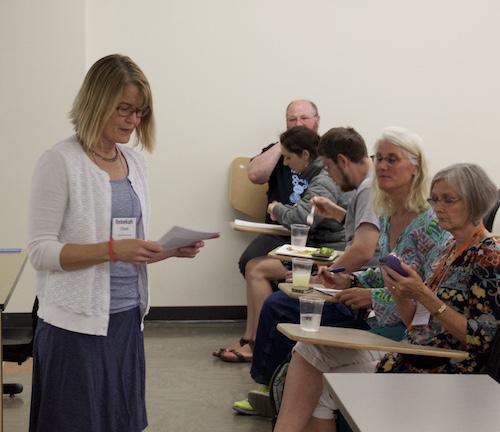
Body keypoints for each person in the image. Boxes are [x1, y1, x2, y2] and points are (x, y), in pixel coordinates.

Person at [27, 54, 205, 432]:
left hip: (126, 319)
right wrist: (110, 250)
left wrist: (169, 249)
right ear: (97, 102)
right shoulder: (59, 162)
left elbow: (129, 250)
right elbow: (41, 252)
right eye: (123, 109)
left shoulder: (135, 164)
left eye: (139, 112)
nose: (133, 120)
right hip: (74, 327)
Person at [274, 162, 500, 432]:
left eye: (449, 200)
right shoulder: (449, 248)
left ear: (475, 203)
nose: (438, 207)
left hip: (450, 365)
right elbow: (416, 325)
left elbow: (483, 338)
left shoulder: (490, 255)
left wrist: (423, 295)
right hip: (420, 350)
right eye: (435, 199)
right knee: (308, 352)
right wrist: (400, 290)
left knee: (325, 383)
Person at [233, 126, 381, 415]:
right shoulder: (366, 189)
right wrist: (335, 213)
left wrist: (326, 274)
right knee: (272, 285)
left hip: (361, 286)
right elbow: (364, 236)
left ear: (342, 161)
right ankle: (276, 385)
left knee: (278, 305)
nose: (328, 175)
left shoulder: (367, 189)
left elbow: (364, 251)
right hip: (357, 277)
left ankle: (267, 388)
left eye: (328, 167)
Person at [215, 126, 350, 363]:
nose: (285, 164)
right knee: (255, 266)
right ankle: (252, 338)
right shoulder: (319, 177)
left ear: (305, 155)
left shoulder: (322, 181)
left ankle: (257, 342)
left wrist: (276, 209)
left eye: (288, 157)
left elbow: (302, 218)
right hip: (319, 247)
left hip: (329, 254)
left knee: (256, 269)